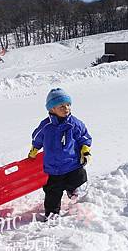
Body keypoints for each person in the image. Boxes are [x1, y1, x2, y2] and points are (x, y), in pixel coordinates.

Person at [27, 88, 92, 219]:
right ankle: (52, 214)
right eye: (61, 106)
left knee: (80, 177)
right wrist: (34, 149)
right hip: (53, 168)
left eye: (68, 105)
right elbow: (37, 138)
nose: (66, 108)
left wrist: (85, 150)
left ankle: (75, 193)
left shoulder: (74, 123)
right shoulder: (46, 126)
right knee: (52, 192)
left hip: (72, 164)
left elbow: (84, 136)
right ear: (52, 109)